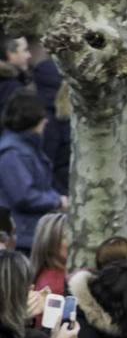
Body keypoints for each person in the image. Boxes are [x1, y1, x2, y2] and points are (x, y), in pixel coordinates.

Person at [0, 92, 64, 253]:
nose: (46, 120)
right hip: (23, 235)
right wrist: (57, 201)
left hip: (28, 232)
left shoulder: (25, 148)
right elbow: (24, 196)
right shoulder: (13, 152)